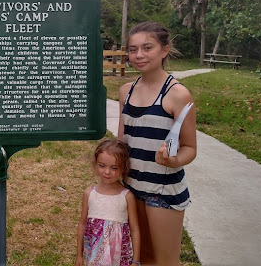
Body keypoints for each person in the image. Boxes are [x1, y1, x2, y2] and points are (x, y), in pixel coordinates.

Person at [117, 21, 197, 266]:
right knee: (142, 258)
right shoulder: (125, 91)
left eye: (147, 47)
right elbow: (122, 142)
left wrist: (173, 160)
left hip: (162, 191)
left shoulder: (178, 94)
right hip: (131, 188)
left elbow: (190, 148)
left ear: (164, 50)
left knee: (164, 262)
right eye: (133, 49)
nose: (139, 55)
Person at [76, 139, 141, 266]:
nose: (107, 172)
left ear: (123, 168)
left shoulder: (127, 196)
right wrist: (79, 255)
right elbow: (82, 224)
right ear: (96, 164)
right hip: (94, 255)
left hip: (119, 257)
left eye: (114, 168)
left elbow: (135, 229)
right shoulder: (89, 193)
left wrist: (136, 260)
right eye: (102, 165)